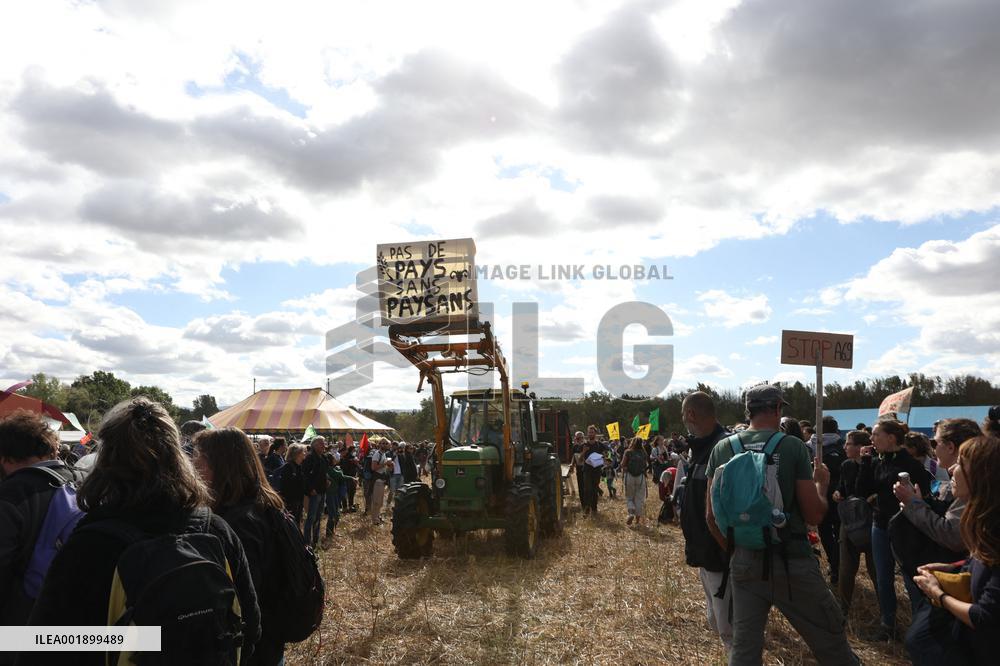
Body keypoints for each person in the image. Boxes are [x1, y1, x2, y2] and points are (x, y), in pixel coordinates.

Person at [23, 397, 260, 665]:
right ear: (178, 457)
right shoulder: (216, 530)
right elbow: (249, 627)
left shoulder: (90, 545)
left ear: (106, 460)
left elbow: (47, 643)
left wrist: (143, 640)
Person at [706, 384, 859, 666]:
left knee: (744, 649)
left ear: (748, 410)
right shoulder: (792, 446)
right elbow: (814, 515)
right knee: (831, 641)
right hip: (792, 559)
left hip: (743, 561)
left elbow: (711, 516)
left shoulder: (723, 448)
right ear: (777, 408)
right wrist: (822, 485)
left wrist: (739, 548)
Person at [191, 427, 287, 665]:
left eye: (199, 463)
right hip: (271, 642)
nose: (193, 470)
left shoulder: (238, 524)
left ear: (221, 467)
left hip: (252, 652)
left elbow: (242, 604)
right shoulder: (264, 505)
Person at [906, 435, 1000, 665]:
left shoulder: (995, 532)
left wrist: (938, 594)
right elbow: (983, 561)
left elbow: (983, 617)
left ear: (981, 475)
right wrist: (955, 567)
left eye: (961, 463)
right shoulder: (986, 524)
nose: (951, 469)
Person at [0, 411, 82, 632]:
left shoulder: (11, 495)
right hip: (74, 619)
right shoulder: (83, 482)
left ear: (7, 457)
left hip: (21, 623)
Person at [855, 418, 933, 639]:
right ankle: (888, 624)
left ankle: (920, 630)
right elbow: (861, 490)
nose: (871, 438)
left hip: (905, 529)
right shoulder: (878, 462)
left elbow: (924, 495)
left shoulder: (911, 465)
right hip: (880, 525)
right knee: (883, 578)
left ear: (891, 438)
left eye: (876, 434)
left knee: (911, 579)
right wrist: (865, 462)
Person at [678, 391, 734, 652]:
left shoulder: (723, 448)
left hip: (719, 553)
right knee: (716, 619)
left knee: (728, 626)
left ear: (691, 414)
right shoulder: (701, 448)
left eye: (683, 415)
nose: (683, 420)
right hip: (705, 549)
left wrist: (727, 549)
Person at [894, 419, 981, 556]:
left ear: (950, 447)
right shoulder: (974, 476)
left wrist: (913, 504)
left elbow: (952, 535)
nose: (932, 448)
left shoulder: (969, 483)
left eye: (935, 443)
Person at [832, 429, 878, 612]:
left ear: (860, 447)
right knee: (846, 568)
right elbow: (842, 486)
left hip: (872, 520)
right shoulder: (846, 465)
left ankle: (885, 611)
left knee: (875, 569)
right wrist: (838, 492)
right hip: (850, 520)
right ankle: (843, 609)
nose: (844, 447)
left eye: (848, 443)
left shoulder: (876, 464)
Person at [807, 416, 846, 585]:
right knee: (838, 532)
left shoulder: (809, 446)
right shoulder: (842, 445)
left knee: (824, 531)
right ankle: (839, 566)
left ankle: (833, 564)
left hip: (817, 492)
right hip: (839, 494)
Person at [301, 437, 330, 547]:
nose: (324, 446)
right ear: (314, 445)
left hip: (322, 491)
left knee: (318, 517)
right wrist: (310, 489)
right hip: (314, 493)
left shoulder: (323, 457)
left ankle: (315, 541)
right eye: (321, 444)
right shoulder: (309, 458)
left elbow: (325, 472)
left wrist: (327, 480)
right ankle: (307, 543)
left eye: (324, 443)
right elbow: (304, 475)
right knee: (311, 518)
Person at [279, 444, 307, 527]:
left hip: (298, 500)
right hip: (291, 501)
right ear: (297, 454)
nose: (305, 453)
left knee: (297, 523)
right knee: (291, 524)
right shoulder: (288, 467)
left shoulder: (300, 466)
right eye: (303, 452)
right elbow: (285, 486)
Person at [621, 438, 647, 527]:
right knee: (639, 498)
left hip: (629, 476)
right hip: (641, 477)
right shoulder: (643, 453)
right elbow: (645, 465)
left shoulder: (628, 452)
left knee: (629, 497)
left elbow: (622, 464)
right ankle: (637, 521)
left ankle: (631, 512)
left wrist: (625, 468)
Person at [370, 438, 391, 525]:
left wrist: (390, 465)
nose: (384, 445)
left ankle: (377, 517)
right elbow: (373, 468)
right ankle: (375, 520)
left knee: (380, 502)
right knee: (376, 501)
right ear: (379, 444)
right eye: (382, 443)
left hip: (382, 480)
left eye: (386, 443)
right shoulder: (377, 454)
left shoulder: (384, 454)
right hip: (377, 480)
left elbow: (384, 468)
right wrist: (385, 464)